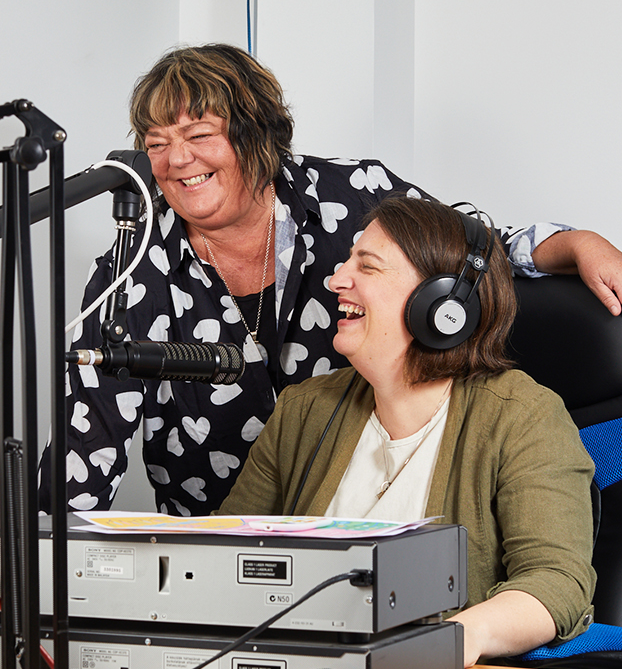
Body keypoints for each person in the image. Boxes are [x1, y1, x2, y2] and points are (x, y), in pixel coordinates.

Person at [37, 43, 622, 517]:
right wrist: (41, 576)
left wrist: (573, 243)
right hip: (223, 555)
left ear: (254, 133)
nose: (176, 160)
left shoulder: (353, 197)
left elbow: (463, 255)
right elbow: (84, 449)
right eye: (157, 144)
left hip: (365, 518)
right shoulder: (132, 269)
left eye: (197, 135)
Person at [216, 196, 596, 667]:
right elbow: (224, 555)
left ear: (442, 306)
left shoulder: (522, 416)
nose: (336, 280)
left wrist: (459, 637)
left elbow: (556, 581)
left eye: (367, 267)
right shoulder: (304, 409)